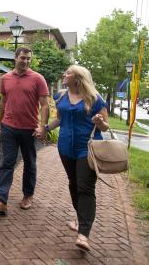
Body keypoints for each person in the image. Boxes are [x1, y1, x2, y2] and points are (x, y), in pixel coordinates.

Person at [44, 65, 109, 252]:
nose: (64, 74)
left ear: (78, 78)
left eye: (68, 72)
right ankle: (80, 218)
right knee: (73, 183)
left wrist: (100, 122)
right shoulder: (61, 96)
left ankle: (84, 234)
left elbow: (105, 127)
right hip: (65, 148)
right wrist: (45, 129)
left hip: (87, 148)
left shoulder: (95, 99)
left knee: (85, 187)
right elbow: (59, 119)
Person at [0, 46, 49, 215]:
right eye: (23, 58)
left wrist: (42, 127)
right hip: (9, 128)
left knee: (30, 163)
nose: (26, 61)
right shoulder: (6, 78)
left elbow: (45, 105)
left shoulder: (38, 78)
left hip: (29, 129)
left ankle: (28, 195)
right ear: (15, 58)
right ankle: (1, 200)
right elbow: (3, 102)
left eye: (28, 59)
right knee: (7, 163)